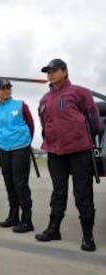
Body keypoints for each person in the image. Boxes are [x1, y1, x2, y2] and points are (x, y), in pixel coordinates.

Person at [36, 58, 100, 251]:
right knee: (58, 193)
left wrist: (84, 138)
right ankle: (54, 229)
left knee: (82, 193)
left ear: (65, 71)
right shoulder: (44, 100)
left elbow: (94, 120)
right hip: (55, 152)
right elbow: (43, 123)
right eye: (48, 71)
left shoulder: (80, 93)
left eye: (54, 70)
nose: (50, 74)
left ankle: (88, 236)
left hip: (79, 150)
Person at [0, 79, 34, 233]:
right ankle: (13, 216)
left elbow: (31, 124)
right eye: (3, 88)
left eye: (8, 87)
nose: (6, 90)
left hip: (20, 147)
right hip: (3, 149)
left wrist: (25, 141)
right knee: (9, 183)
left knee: (20, 183)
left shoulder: (20, 105)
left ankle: (27, 220)